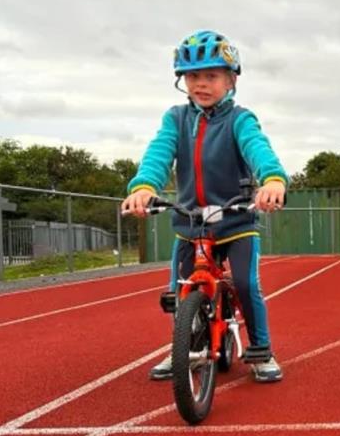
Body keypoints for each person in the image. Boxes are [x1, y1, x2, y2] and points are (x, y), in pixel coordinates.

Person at [121, 30, 288, 382]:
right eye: (192, 76)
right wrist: (144, 186)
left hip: (235, 219)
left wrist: (272, 179)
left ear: (231, 80)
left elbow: (257, 148)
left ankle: (261, 349)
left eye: (211, 76)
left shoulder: (240, 119)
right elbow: (158, 153)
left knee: (245, 283)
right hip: (191, 222)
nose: (201, 84)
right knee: (180, 289)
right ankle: (183, 348)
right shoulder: (176, 119)